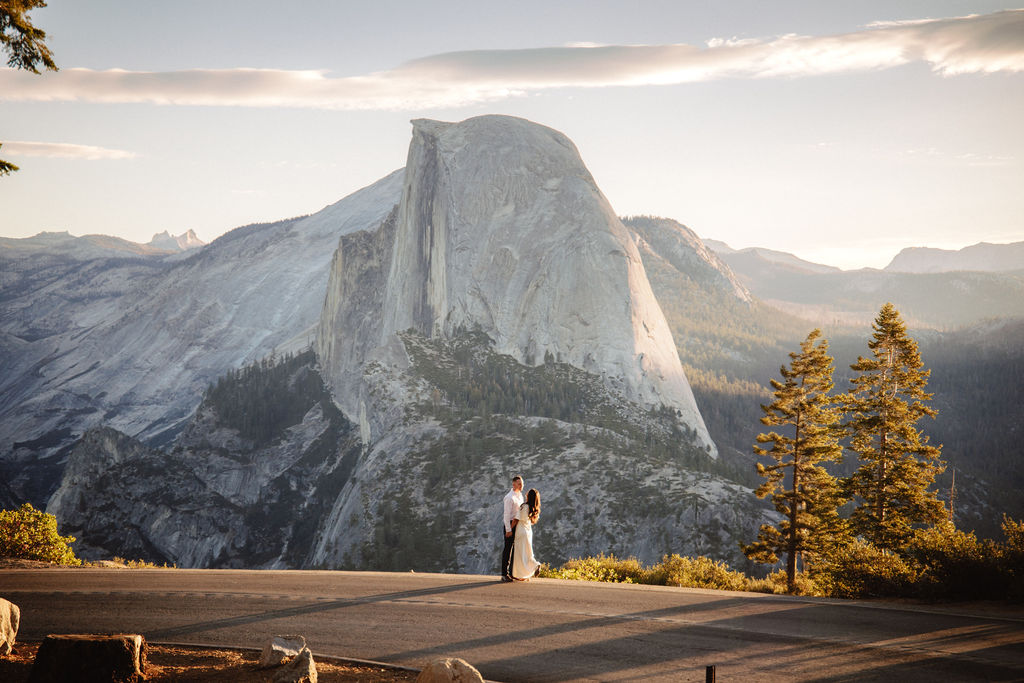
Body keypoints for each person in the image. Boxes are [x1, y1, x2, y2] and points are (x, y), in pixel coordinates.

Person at [511, 488, 541, 581]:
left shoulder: (524, 506)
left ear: (529, 496)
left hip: (521, 531)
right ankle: (535, 565)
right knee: (528, 553)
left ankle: (521, 574)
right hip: (528, 532)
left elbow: (516, 519)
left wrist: (509, 529)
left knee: (520, 554)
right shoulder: (534, 508)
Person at [500, 475, 524, 582]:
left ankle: (513, 572)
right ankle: (504, 574)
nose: (521, 485)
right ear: (513, 484)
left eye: (522, 483)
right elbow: (506, 515)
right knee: (508, 549)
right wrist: (508, 530)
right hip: (510, 524)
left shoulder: (520, 496)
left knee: (516, 549)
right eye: (519, 483)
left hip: (518, 525)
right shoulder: (509, 498)